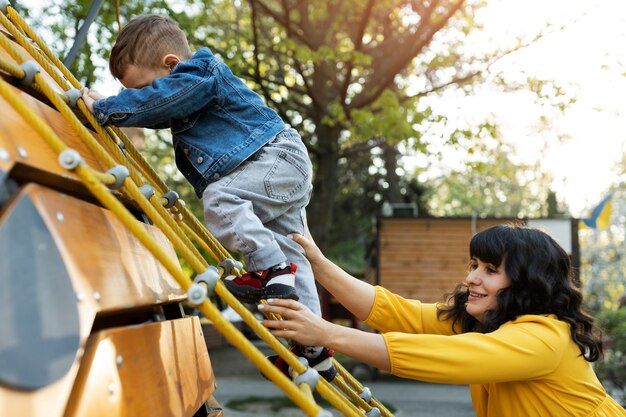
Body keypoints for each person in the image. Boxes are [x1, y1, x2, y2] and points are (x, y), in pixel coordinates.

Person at [81, 15, 335, 379]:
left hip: (275, 160)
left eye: (143, 88)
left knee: (219, 197)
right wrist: (114, 105)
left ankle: (270, 269)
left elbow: (161, 99)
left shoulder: (201, 71)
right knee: (295, 251)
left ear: (172, 64)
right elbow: (157, 104)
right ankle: (313, 348)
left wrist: (107, 108)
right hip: (275, 173)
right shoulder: (186, 86)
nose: (143, 98)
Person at [260, 224, 626, 417]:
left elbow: (440, 357)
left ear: (526, 285)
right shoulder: (487, 321)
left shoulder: (544, 338)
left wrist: (325, 332)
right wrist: (318, 263)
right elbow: (397, 312)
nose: (472, 279)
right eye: (474, 266)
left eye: (490, 270)